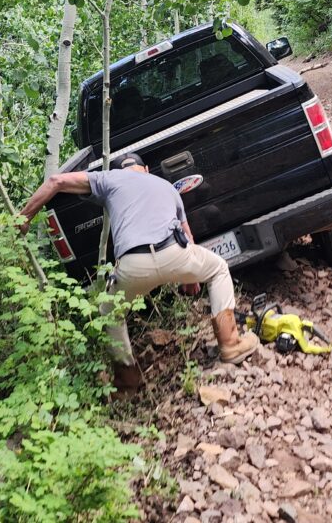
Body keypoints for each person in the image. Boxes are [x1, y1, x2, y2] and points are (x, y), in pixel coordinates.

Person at [18, 153, 260, 393]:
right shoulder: (165, 185)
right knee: (217, 269)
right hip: (174, 252)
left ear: (117, 170)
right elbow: (189, 238)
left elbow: (55, 182)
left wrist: (24, 217)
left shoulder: (109, 178)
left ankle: (127, 381)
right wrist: (191, 278)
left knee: (109, 313)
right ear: (145, 169)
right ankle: (230, 344)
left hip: (133, 265)